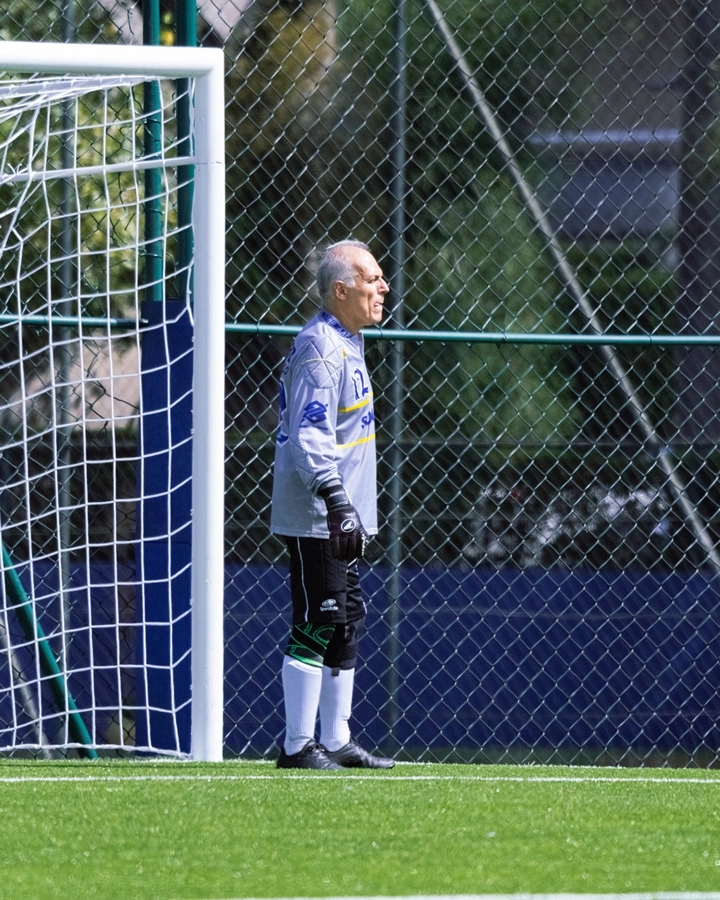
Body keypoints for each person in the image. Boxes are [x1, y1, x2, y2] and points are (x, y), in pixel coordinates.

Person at [270, 239, 395, 769]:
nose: (383, 287)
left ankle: (337, 740)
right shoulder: (321, 347)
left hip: (343, 515)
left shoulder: (348, 341)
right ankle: (297, 745)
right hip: (319, 513)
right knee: (318, 620)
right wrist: (337, 499)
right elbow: (309, 434)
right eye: (371, 278)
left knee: (346, 620)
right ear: (340, 290)